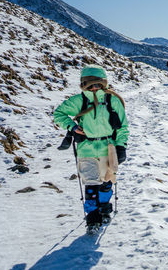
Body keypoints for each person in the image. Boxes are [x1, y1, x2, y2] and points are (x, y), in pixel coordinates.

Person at [54, 64, 129, 232]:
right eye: (90, 85)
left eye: (98, 84)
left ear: (104, 83)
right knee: (91, 183)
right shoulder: (79, 101)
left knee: (107, 182)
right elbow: (58, 114)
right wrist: (72, 127)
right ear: (84, 85)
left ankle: (104, 208)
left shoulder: (112, 100)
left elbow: (122, 127)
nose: (94, 88)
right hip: (86, 148)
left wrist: (121, 146)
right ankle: (92, 218)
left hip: (107, 148)